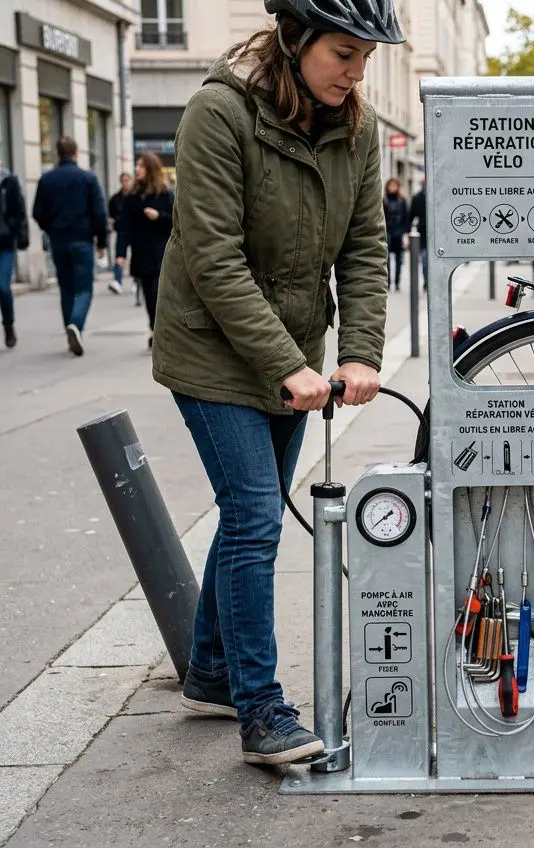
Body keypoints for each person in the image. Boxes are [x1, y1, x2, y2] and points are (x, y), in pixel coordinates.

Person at [152, 0, 401, 766]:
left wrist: (358, 352)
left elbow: (364, 249)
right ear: (294, 42)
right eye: (342, 54)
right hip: (211, 349)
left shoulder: (355, 130)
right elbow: (212, 256)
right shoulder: (217, 113)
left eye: (366, 57)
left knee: (243, 517)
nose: (357, 72)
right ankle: (262, 712)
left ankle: (213, 676)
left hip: (294, 353)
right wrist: (285, 364)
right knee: (257, 517)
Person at [32, 136, 109, 357]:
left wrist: (51, 227)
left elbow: (38, 212)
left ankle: (70, 330)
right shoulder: (87, 178)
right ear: (76, 153)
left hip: (59, 240)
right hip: (82, 239)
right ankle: (76, 324)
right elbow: (99, 212)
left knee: (66, 287)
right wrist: (102, 241)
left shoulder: (47, 180)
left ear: (58, 153)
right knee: (84, 287)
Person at [114, 152, 173, 348]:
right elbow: (124, 228)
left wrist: (159, 217)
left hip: (162, 255)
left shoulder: (165, 195)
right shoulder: (132, 198)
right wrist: (121, 254)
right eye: (137, 165)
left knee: (158, 293)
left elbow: (177, 223)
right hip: (142, 255)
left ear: (150, 170)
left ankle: (160, 331)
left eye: (141, 166)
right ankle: (154, 328)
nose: (137, 169)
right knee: (149, 295)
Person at [0, 162, 30, 349]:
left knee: (3, 287)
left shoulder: (9, 181)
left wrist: (11, 226)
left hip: (4, 243)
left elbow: (19, 210)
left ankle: (9, 326)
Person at [107, 172, 132, 296]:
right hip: (122, 231)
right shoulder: (115, 198)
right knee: (120, 257)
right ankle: (117, 281)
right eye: (123, 181)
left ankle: (137, 282)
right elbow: (111, 216)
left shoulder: (135, 196)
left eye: (127, 180)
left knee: (137, 255)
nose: (125, 183)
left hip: (135, 231)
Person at [383, 177, 409, 291]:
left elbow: (406, 218)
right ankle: (387, 282)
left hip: (399, 232)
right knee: (386, 258)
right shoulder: (383, 200)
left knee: (399, 259)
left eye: (394, 185)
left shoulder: (402, 200)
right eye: (390, 185)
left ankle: (397, 282)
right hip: (387, 232)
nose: (392, 187)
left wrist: (406, 235)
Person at [408, 180, 427, 290]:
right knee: (424, 258)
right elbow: (411, 216)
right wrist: (408, 233)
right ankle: (427, 280)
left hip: (436, 233)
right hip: (422, 232)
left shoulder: (437, 196)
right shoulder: (417, 198)